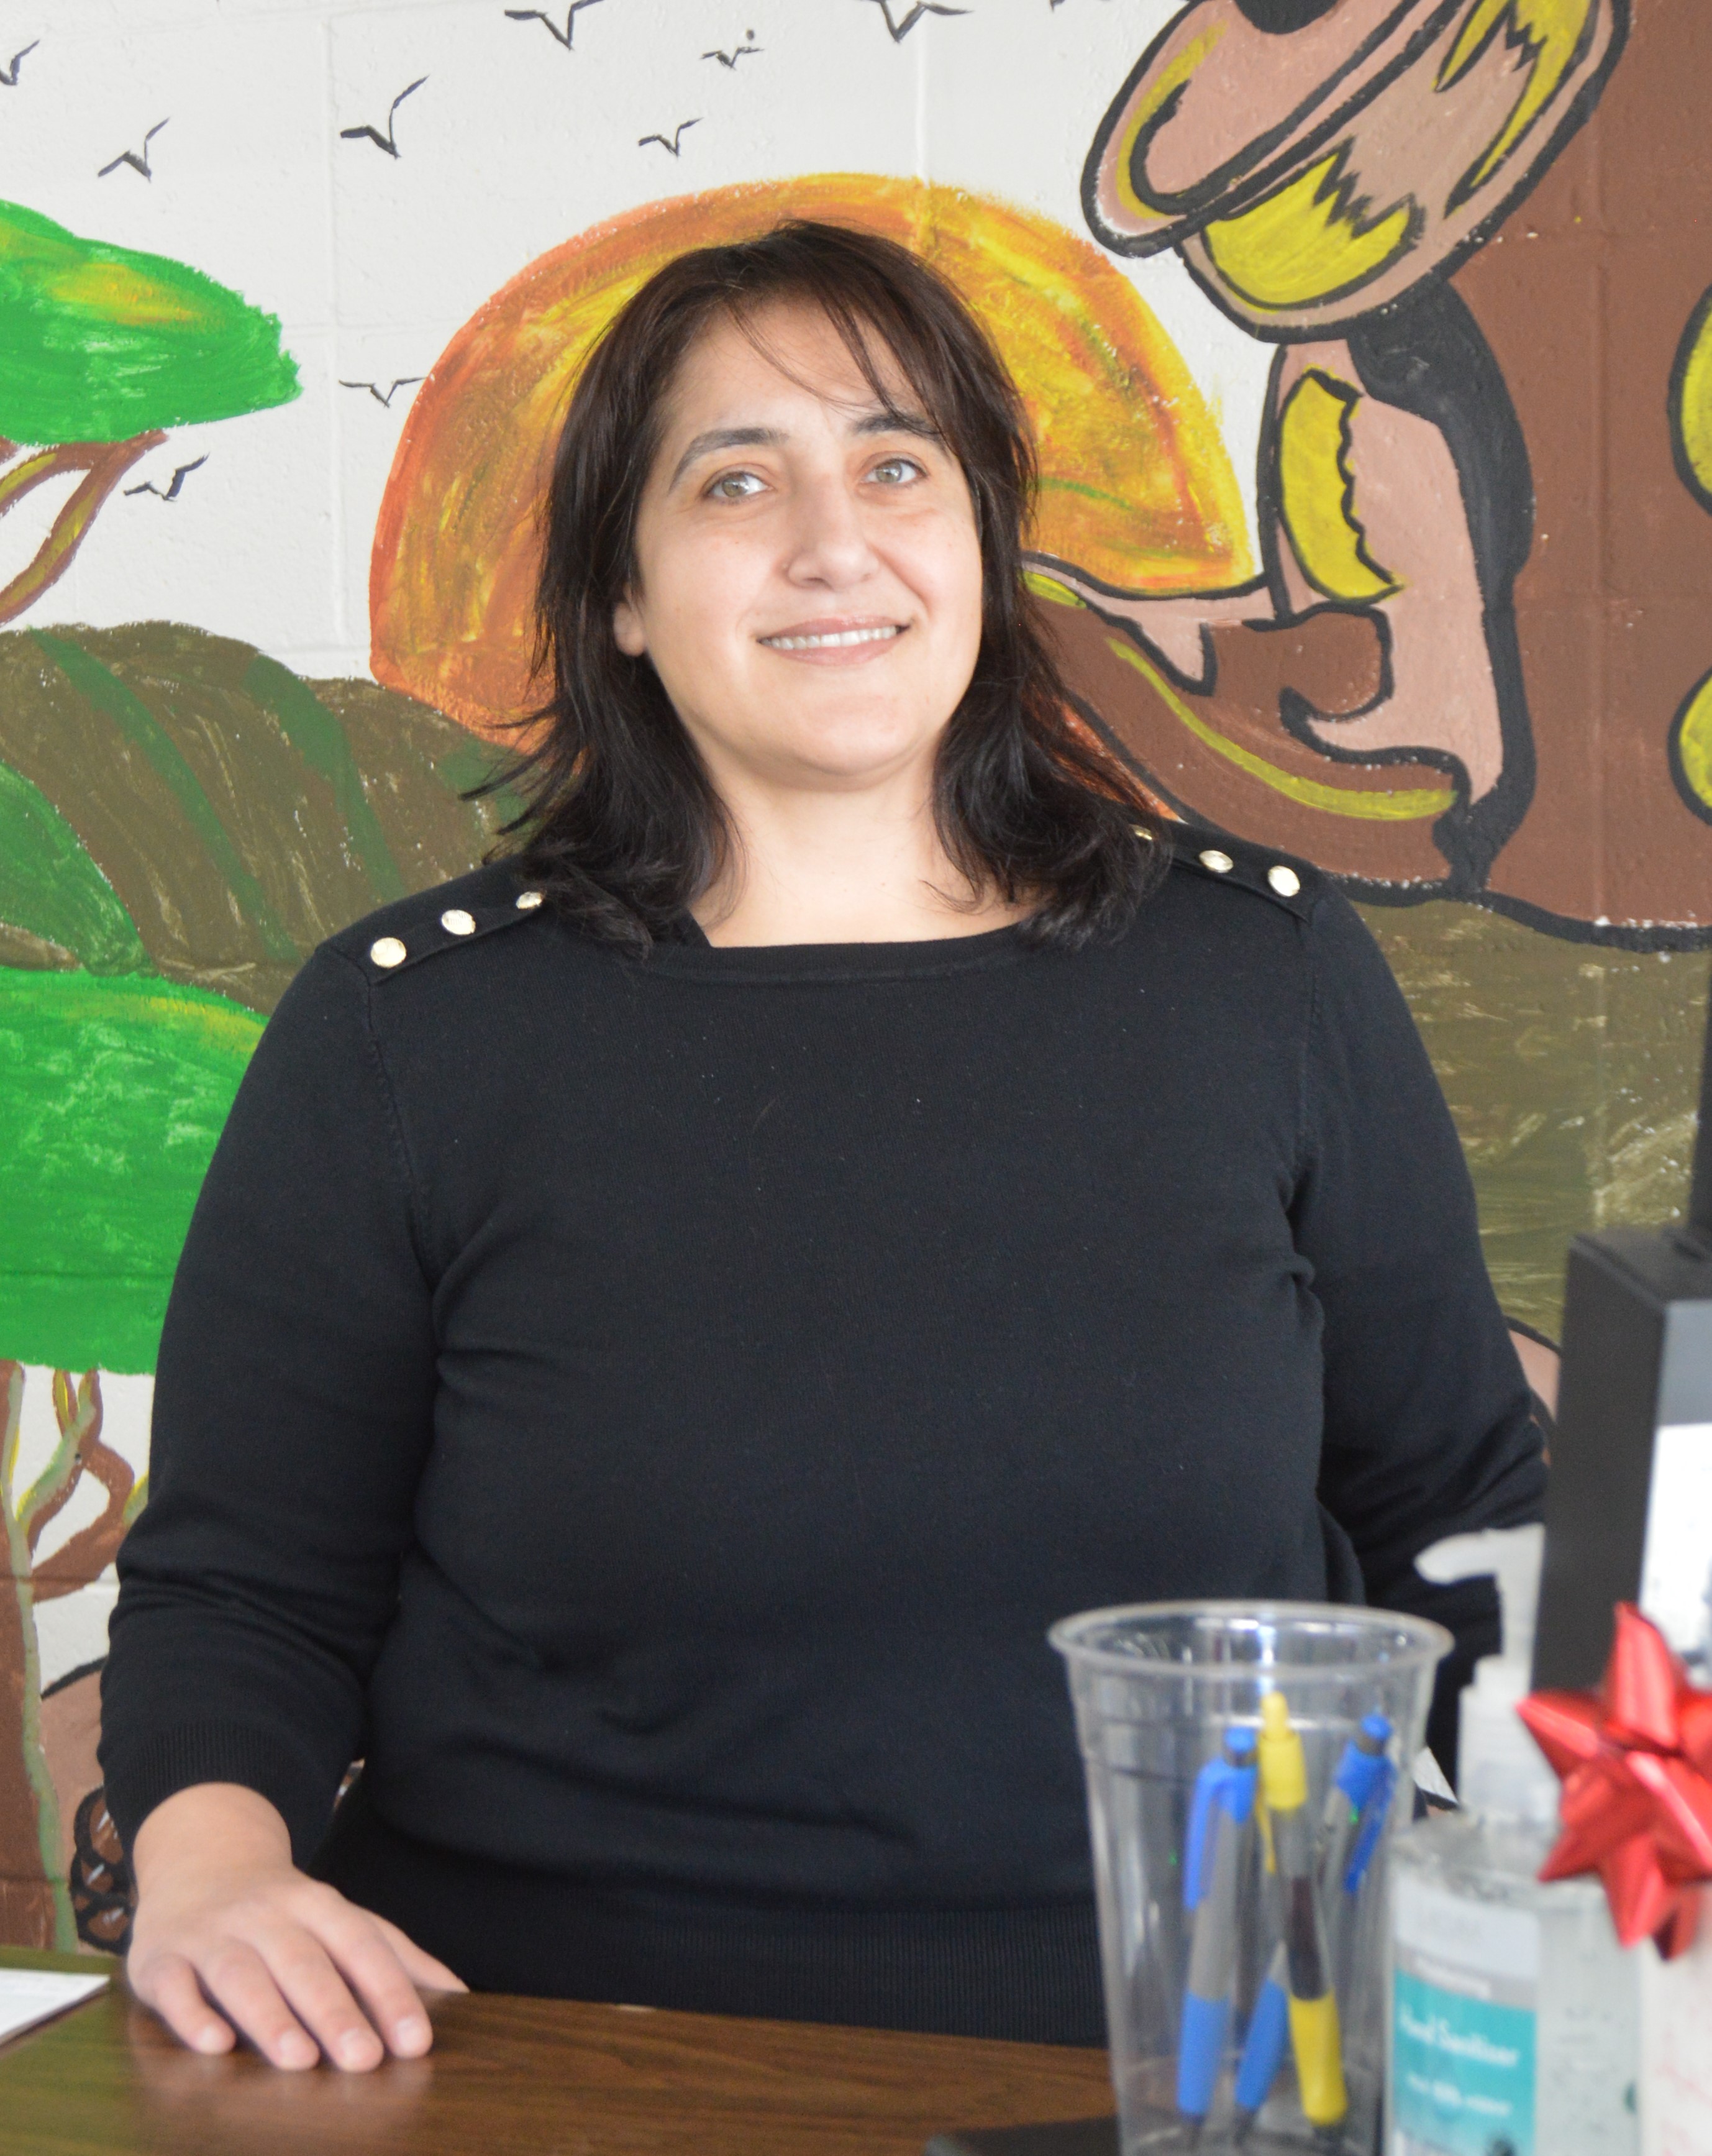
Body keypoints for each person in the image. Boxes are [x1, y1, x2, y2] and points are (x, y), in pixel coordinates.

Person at [99, 221, 1544, 2073]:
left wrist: (1641, 1853)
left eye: (895, 466)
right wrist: (212, 1870)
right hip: (551, 2060)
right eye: (734, 481)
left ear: (981, 546)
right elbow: (249, 1589)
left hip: (1214, 2054)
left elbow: (1459, 1520)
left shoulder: (1261, 972)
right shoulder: (410, 1029)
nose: (832, 543)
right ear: (621, 594)